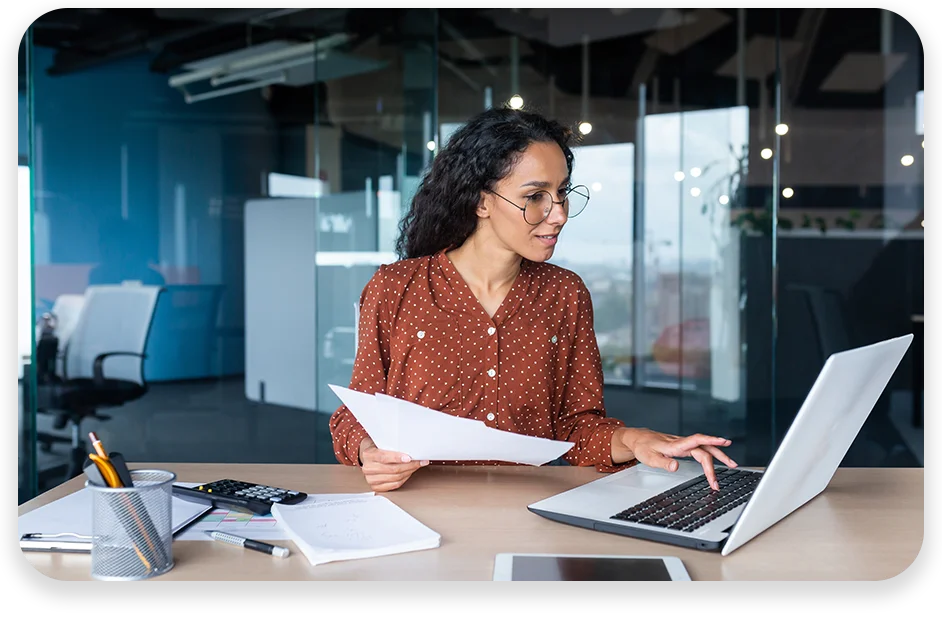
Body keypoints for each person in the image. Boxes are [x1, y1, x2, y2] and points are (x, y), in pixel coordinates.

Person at [329, 105, 737, 493]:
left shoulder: (565, 294)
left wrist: (636, 440)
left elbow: (577, 430)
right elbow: (357, 414)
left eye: (561, 193)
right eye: (535, 196)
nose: (558, 213)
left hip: (528, 510)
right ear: (481, 201)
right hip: (413, 509)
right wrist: (369, 453)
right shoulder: (395, 288)